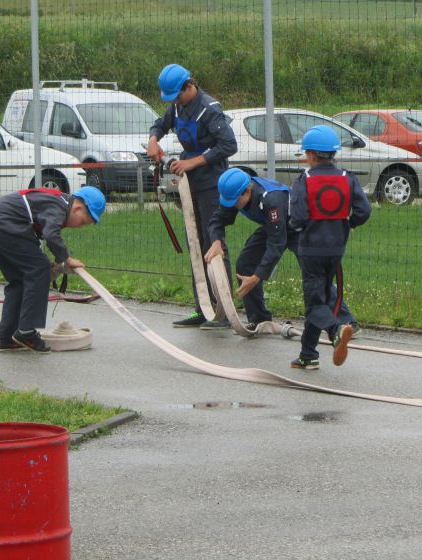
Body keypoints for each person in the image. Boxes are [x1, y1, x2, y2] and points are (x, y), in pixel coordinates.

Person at [146, 63, 237, 329]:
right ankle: (202, 308)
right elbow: (160, 124)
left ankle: (222, 310)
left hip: (212, 185)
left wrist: (192, 162)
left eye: (177, 95)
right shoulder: (176, 106)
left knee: (214, 244)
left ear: (189, 86)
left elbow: (228, 145)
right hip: (190, 187)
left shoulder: (210, 110)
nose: (174, 102)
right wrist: (154, 138)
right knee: (194, 245)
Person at [0, 185, 106, 353]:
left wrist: (58, 266)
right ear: (78, 208)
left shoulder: (56, 203)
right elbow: (51, 234)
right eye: (83, 221)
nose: (80, 226)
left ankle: (7, 338)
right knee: (39, 268)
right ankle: (26, 332)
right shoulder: (59, 206)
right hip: (3, 222)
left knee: (19, 280)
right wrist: (66, 259)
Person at [288, 125, 371, 370]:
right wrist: (348, 224)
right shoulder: (348, 178)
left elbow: (298, 216)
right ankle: (308, 354)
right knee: (322, 295)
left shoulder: (305, 180)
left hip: (311, 249)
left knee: (314, 304)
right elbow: (364, 211)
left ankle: (338, 329)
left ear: (311, 155)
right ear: (333, 154)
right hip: (336, 248)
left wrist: (295, 225)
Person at [204, 167, 298, 331]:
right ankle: (259, 320)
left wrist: (257, 276)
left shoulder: (272, 200)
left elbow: (276, 243)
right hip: (272, 226)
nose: (231, 205)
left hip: (299, 228)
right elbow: (217, 220)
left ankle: (344, 322)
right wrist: (216, 241)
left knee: (315, 273)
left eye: (234, 202)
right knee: (245, 265)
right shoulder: (234, 192)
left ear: (247, 191)